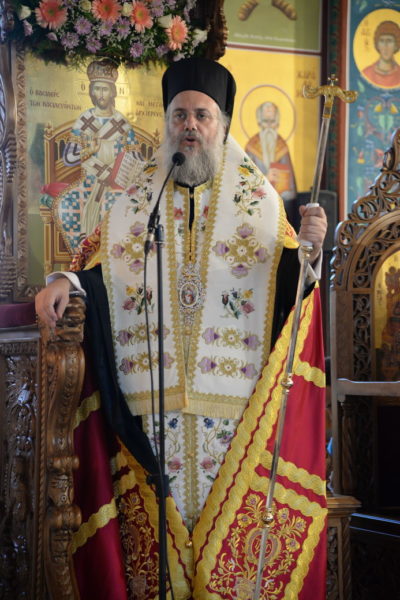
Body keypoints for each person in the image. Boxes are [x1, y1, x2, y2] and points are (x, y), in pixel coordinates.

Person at [36, 58, 328, 600]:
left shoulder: (262, 203)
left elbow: (290, 290)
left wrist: (309, 253)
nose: (189, 125)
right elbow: (101, 274)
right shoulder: (133, 202)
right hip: (149, 412)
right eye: (179, 114)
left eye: (202, 115)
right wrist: (64, 282)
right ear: (167, 122)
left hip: (232, 416)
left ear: (222, 124)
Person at [55, 59, 142, 251]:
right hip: (88, 182)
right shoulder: (84, 120)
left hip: (115, 184)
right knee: (66, 205)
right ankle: (80, 258)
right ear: (91, 91)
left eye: (105, 89)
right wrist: (89, 151)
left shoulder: (122, 123)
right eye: (97, 89)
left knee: (112, 205)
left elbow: (137, 159)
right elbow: (68, 159)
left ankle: (108, 259)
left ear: (113, 92)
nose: (101, 94)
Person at [245, 101, 297, 200]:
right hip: (257, 200)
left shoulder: (282, 146)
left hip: (280, 201)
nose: (269, 126)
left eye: (272, 122)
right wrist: (265, 178)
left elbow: (290, 189)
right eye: (265, 121)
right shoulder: (251, 146)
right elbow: (246, 184)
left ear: (277, 123)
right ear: (259, 122)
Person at [362, 20, 400, 88]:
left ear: (396, 45)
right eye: (382, 41)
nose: (385, 46)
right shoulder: (367, 73)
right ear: (377, 45)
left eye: (389, 41)